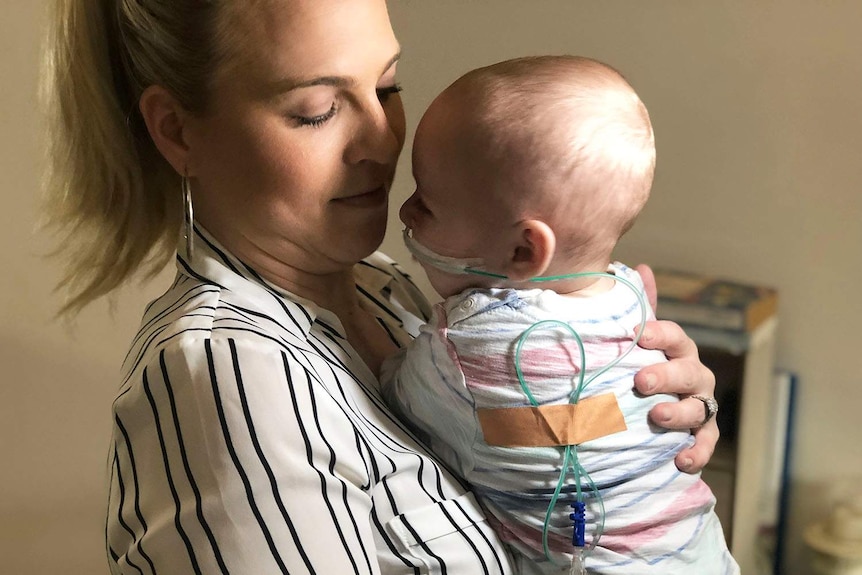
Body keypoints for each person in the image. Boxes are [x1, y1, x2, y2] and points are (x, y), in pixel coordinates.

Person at [42, 1, 721, 573]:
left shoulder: (390, 290)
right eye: (315, 109)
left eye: (388, 86)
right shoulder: (227, 374)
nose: (382, 139)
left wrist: (635, 426)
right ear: (177, 130)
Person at [384, 56, 737, 574]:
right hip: (698, 550)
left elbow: (394, 397)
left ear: (525, 252)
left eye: (427, 204)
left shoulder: (470, 345)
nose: (405, 211)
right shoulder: (629, 291)